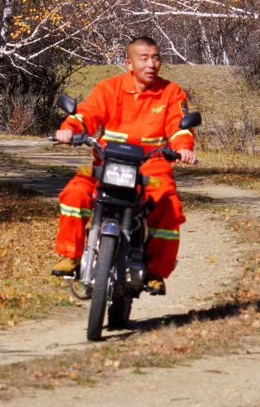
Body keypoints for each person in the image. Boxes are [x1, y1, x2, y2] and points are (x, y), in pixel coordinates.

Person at [51, 37, 196, 295]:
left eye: (156, 57)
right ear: (129, 63)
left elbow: (180, 127)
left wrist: (184, 148)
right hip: (106, 162)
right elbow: (85, 114)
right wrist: (68, 130)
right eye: (144, 58)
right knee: (75, 193)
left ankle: (155, 271)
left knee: (169, 207)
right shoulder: (109, 89)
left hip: (153, 167)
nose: (151, 64)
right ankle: (71, 256)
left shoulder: (172, 92)